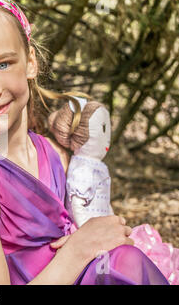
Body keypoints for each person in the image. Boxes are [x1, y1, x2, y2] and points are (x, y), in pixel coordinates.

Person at [0, 0, 169, 285]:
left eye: (3, 64)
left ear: (30, 62)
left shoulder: (55, 154)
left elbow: (92, 228)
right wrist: (79, 249)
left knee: (123, 261)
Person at [49, 97, 179, 284]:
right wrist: (92, 230)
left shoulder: (96, 166)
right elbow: (78, 204)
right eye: (102, 130)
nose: (107, 137)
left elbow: (103, 201)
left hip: (104, 224)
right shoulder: (82, 169)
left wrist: (113, 221)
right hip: (89, 228)